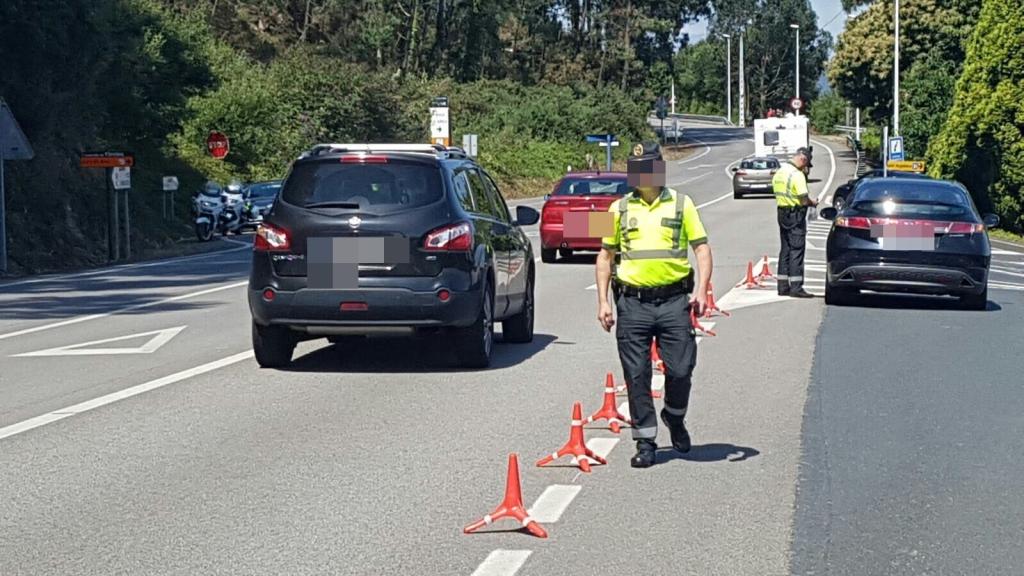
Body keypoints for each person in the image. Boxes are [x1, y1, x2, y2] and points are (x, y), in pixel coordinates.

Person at [595, 141, 714, 469]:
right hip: (632, 304)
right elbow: (604, 256)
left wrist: (702, 291)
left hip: (674, 301)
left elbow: (702, 249)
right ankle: (645, 442)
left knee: (681, 369)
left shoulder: (682, 204)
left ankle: (674, 416)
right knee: (636, 375)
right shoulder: (616, 208)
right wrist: (603, 301)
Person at [772, 147, 817, 298]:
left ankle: (782, 286)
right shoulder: (797, 175)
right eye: (806, 165)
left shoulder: (780, 172)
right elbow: (803, 199)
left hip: (782, 213)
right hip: (795, 215)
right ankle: (796, 287)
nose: (806, 169)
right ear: (803, 159)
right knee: (796, 250)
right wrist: (813, 203)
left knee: (785, 249)